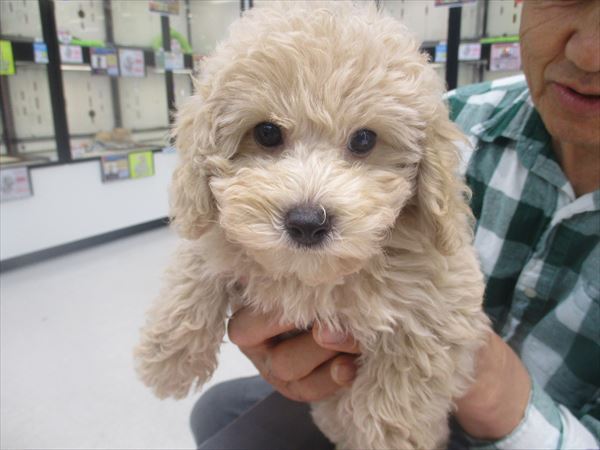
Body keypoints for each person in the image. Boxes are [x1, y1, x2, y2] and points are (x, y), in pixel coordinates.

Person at [191, 1, 599, 448]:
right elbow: (205, 236)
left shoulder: (421, 126)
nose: (589, 52)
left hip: (424, 418)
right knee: (213, 409)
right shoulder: (456, 112)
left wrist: (484, 379)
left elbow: (445, 279)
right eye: (269, 135)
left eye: (361, 142)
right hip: (348, 386)